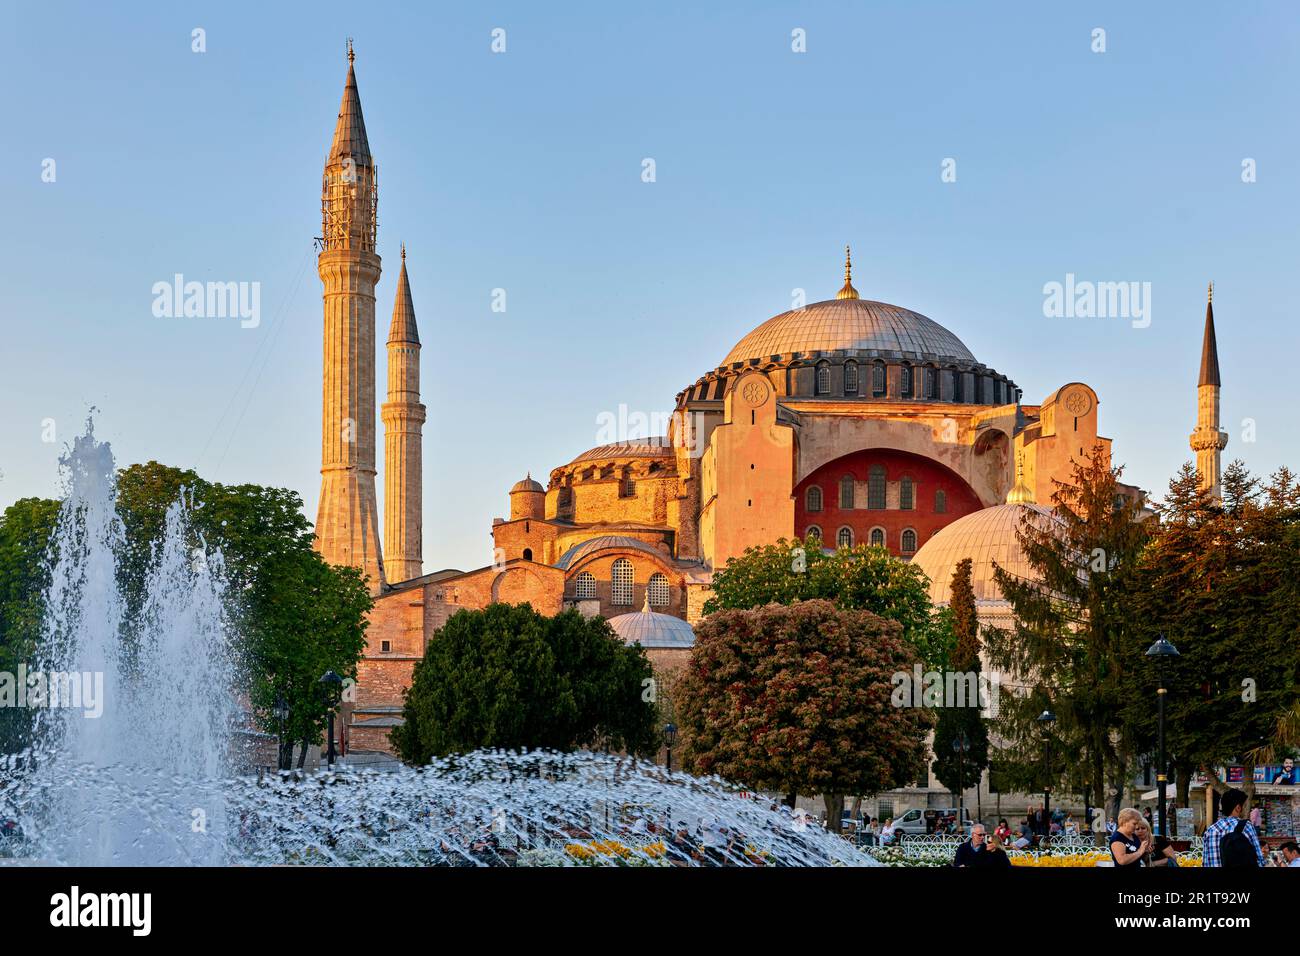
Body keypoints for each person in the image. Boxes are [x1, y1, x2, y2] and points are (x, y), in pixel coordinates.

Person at [1204, 788, 1266, 868]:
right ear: (1238, 808)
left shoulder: (1210, 831)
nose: (1247, 810)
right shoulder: (1246, 826)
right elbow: (1259, 860)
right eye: (1244, 806)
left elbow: (1206, 863)